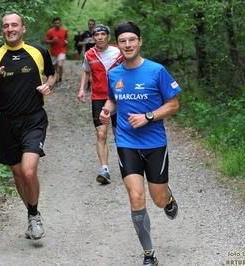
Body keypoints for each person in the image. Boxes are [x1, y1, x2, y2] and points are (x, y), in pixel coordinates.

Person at [0, 12, 56, 241]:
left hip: (34, 119)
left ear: (23, 28)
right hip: (7, 122)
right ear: (2, 30)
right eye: (6, 26)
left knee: (28, 171)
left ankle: (34, 216)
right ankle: (31, 217)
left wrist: (48, 86)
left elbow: (52, 75)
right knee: (17, 175)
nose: (10, 29)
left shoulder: (38, 51)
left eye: (14, 25)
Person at [99, 21, 180, 266]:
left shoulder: (157, 71)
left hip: (155, 143)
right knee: (136, 198)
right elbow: (114, 101)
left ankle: (167, 197)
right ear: (118, 44)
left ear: (140, 41)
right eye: (122, 41)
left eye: (131, 40)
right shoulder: (114, 74)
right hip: (126, 142)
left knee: (157, 200)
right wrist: (106, 110)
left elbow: (174, 105)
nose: (127, 45)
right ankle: (149, 254)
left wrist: (148, 116)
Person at [77, 24, 123, 184]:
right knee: (101, 134)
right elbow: (86, 71)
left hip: (119, 98)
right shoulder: (90, 54)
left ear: (108, 37)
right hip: (98, 98)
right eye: (97, 35)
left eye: (103, 34)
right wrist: (82, 88)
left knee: (119, 135)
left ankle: (127, 166)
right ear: (93, 37)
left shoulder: (119, 51)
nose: (100, 37)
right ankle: (104, 169)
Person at [45, 17, 68, 85]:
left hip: (62, 50)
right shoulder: (50, 31)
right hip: (54, 52)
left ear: (60, 23)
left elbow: (66, 38)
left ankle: (60, 79)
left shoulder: (64, 31)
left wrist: (66, 41)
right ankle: (56, 79)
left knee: (60, 65)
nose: (57, 24)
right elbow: (46, 41)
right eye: (56, 23)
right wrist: (52, 41)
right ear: (53, 24)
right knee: (54, 68)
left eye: (58, 23)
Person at [78, 19, 96, 91]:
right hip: (87, 54)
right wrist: (85, 43)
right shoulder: (85, 33)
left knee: (94, 70)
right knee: (87, 69)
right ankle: (88, 84)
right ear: (88, 25)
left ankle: (93, 84)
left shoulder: (97, 33)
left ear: (94, 25)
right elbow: (79, 43)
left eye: (92, 24)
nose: (91, 26)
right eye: (90, 24)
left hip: (96, 53)